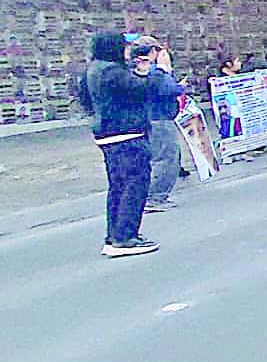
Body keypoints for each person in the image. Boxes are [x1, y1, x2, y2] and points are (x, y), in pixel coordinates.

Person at [77, 32, 158, 258]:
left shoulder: (92, 70)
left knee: (118, 187)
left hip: (107, 135)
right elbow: (143, 89)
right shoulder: (113, 72)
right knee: (135, 184)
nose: (128, 52)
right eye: (125, 47)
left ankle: (115, 235)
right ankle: (125, 238)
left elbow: (85, 100)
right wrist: (147, 71)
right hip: (126, 134)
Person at [136, 37, 186, 213]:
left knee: (156, 157)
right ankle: (156, 196)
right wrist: (168, 72)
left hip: (148, 118)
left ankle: (150, 195)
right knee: (166, 157)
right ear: (153, 52)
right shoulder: (156, 71)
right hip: (160, 118)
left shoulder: (137, 69)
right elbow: (167, 89)